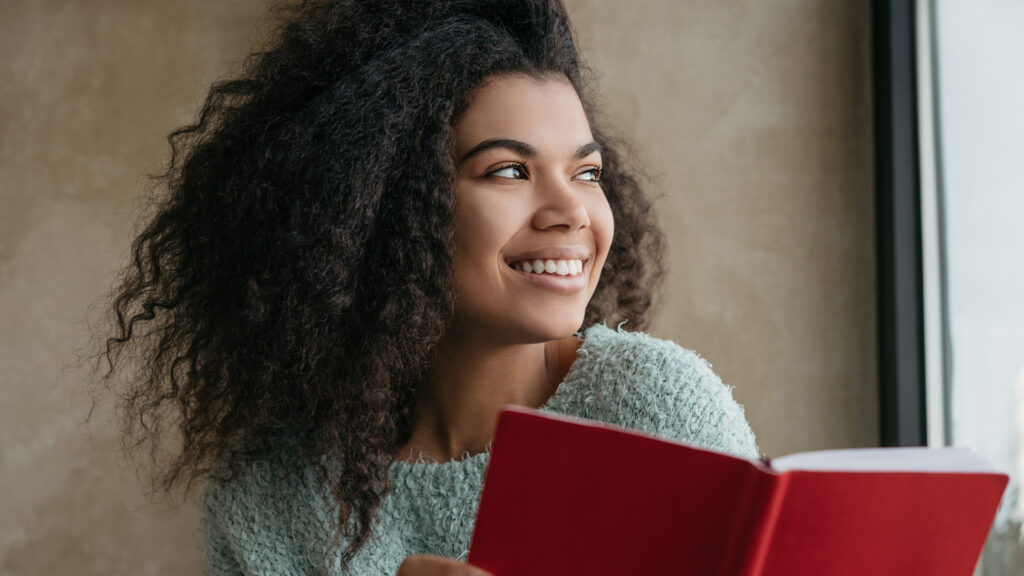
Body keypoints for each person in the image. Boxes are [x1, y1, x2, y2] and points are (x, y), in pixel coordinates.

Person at [100, 1, 760, 574]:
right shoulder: (271, 496)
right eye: (508, 171)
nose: (572, 212)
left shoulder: (663, 419)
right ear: (385, 207)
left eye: (587, 174)